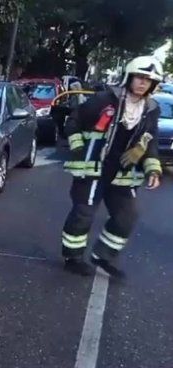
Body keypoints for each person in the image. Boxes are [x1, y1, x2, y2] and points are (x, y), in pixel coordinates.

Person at [61, 55, 163, 278]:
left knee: (127, 217)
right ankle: (73, 258)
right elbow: (74, 121)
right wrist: (78, 147)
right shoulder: (105, 99)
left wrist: (153, 169)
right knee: (83, 214)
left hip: (124, 174)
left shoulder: (152, 109)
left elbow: (150, 140)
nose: (143, 83)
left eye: (149, 80)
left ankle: (103, 256)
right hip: (93, 168)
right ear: (129, 77)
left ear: (154, 85)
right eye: (139, 77)